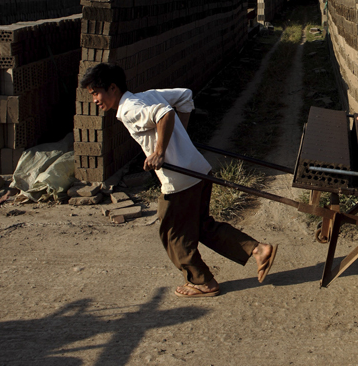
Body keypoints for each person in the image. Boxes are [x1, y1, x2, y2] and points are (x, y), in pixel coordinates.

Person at [80, 63, 277, 298]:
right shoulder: (144, 96)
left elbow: (165, 114)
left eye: (95, 93)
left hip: (180, 179)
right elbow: (184, 96)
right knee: (202, 226)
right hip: (198, 170)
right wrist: (179, 136)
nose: (94, 100)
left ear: (112, 88)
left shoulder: (129, 108)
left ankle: (203, 282)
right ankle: (258, 250)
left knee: (173, 234)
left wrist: (161, 151)